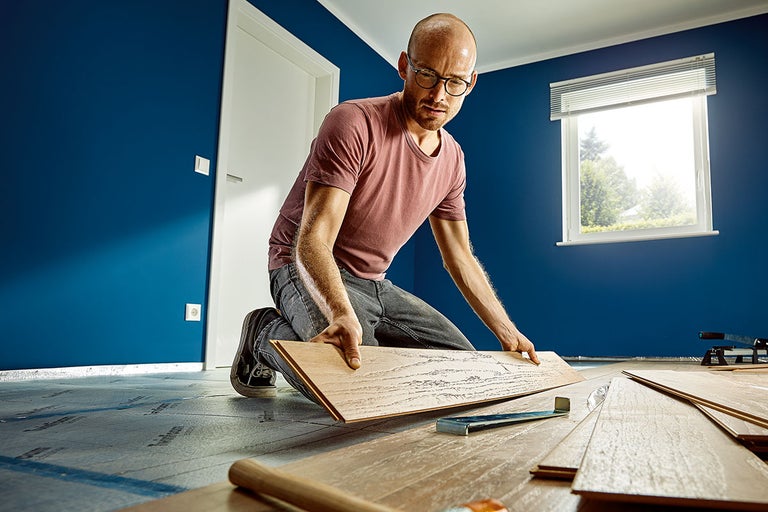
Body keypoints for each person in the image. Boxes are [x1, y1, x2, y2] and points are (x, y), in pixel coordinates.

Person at [230, 12, 539, 401]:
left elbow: (460, 256)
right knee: (356, 384)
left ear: (471, 83)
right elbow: (313, 239)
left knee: (464, 371)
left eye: (455, 82)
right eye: (427, 75)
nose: (438, 95)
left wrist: (507, 331)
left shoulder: (453, 160)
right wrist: (341, 313)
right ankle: (264, 334)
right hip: (302, 264)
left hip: (375, 283)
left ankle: (349, 344)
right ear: (404, 66)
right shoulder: (353, 122)